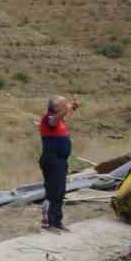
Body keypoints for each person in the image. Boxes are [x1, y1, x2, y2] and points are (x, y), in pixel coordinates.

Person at [38, 96, 80, 231]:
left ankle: (57, 222)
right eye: (64, 104)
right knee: (52, 192)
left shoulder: (60, 119)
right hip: (51, 160)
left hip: (61, 161)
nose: (66, 105)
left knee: (60, 192)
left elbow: (62, 118)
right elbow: (53, 121)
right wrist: (66, 110)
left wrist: (72, 108)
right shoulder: (47, 118)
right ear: (56, 108)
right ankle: (48, 223)